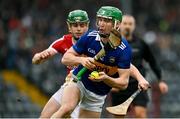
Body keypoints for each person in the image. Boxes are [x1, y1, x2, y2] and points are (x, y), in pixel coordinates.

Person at [51, 6, 150, 118]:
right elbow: (65, 58)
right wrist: (81, 60)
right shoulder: (89, 37)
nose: (101, 24)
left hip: (97, 96)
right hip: (79, 82)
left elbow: (123, 83)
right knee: (66, 109)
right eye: (100, 19)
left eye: (107, 21)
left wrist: (106, 78)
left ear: (117, 24)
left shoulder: (124, 49)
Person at [32, 9, 90, 118]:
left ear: (87, 26)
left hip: (88, 92)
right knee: (44, 116)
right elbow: (37, 59)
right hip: (69, 87)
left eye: (82, 25)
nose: (78, 29)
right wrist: (38, 58)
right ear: (69, 27)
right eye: (75, 25)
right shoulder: (63, 41)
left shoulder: (94, 42)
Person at [110, 15, 169, 118]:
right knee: (118, 116)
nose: (127, 26)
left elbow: (152, 62)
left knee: (140, 114)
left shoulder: (141, 44)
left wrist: (161, 80)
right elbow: (105, 64)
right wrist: (110, 84)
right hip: (119, 86)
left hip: (138, 86)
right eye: (125, 23)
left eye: (130, 24)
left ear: (134, 26)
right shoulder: (111, 44)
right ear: (119, 25)